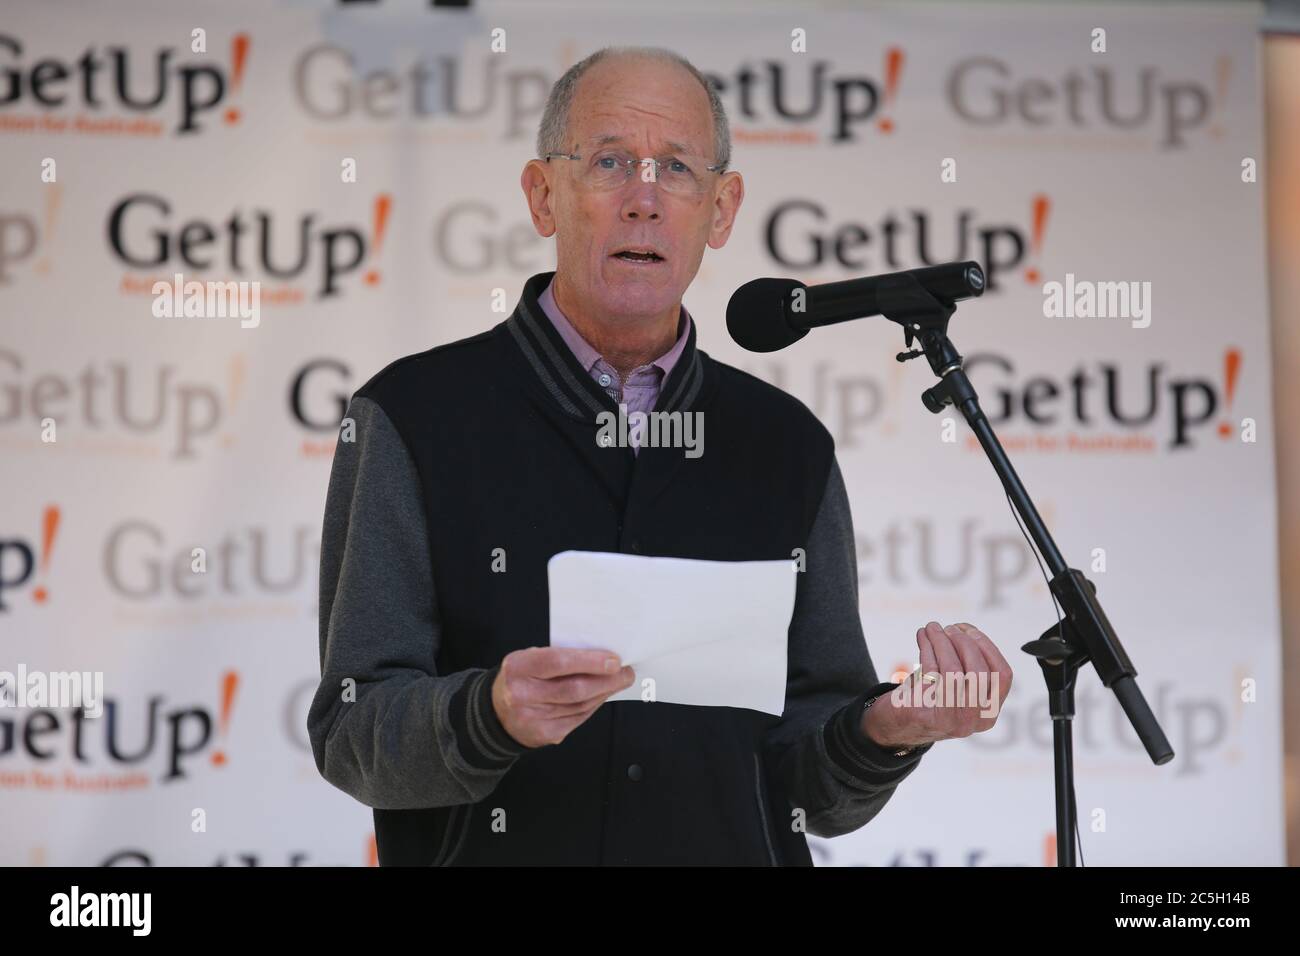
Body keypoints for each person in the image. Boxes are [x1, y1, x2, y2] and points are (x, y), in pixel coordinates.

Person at [308, 45, 1013, 866]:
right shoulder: (412, 415)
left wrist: (889, 728)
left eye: (675, 169)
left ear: (720, 209)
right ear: (544, 196)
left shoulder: (786, 443)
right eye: (609, 162)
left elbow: (812, 788)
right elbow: (353, 734)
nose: (643, 199)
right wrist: (488, 714)